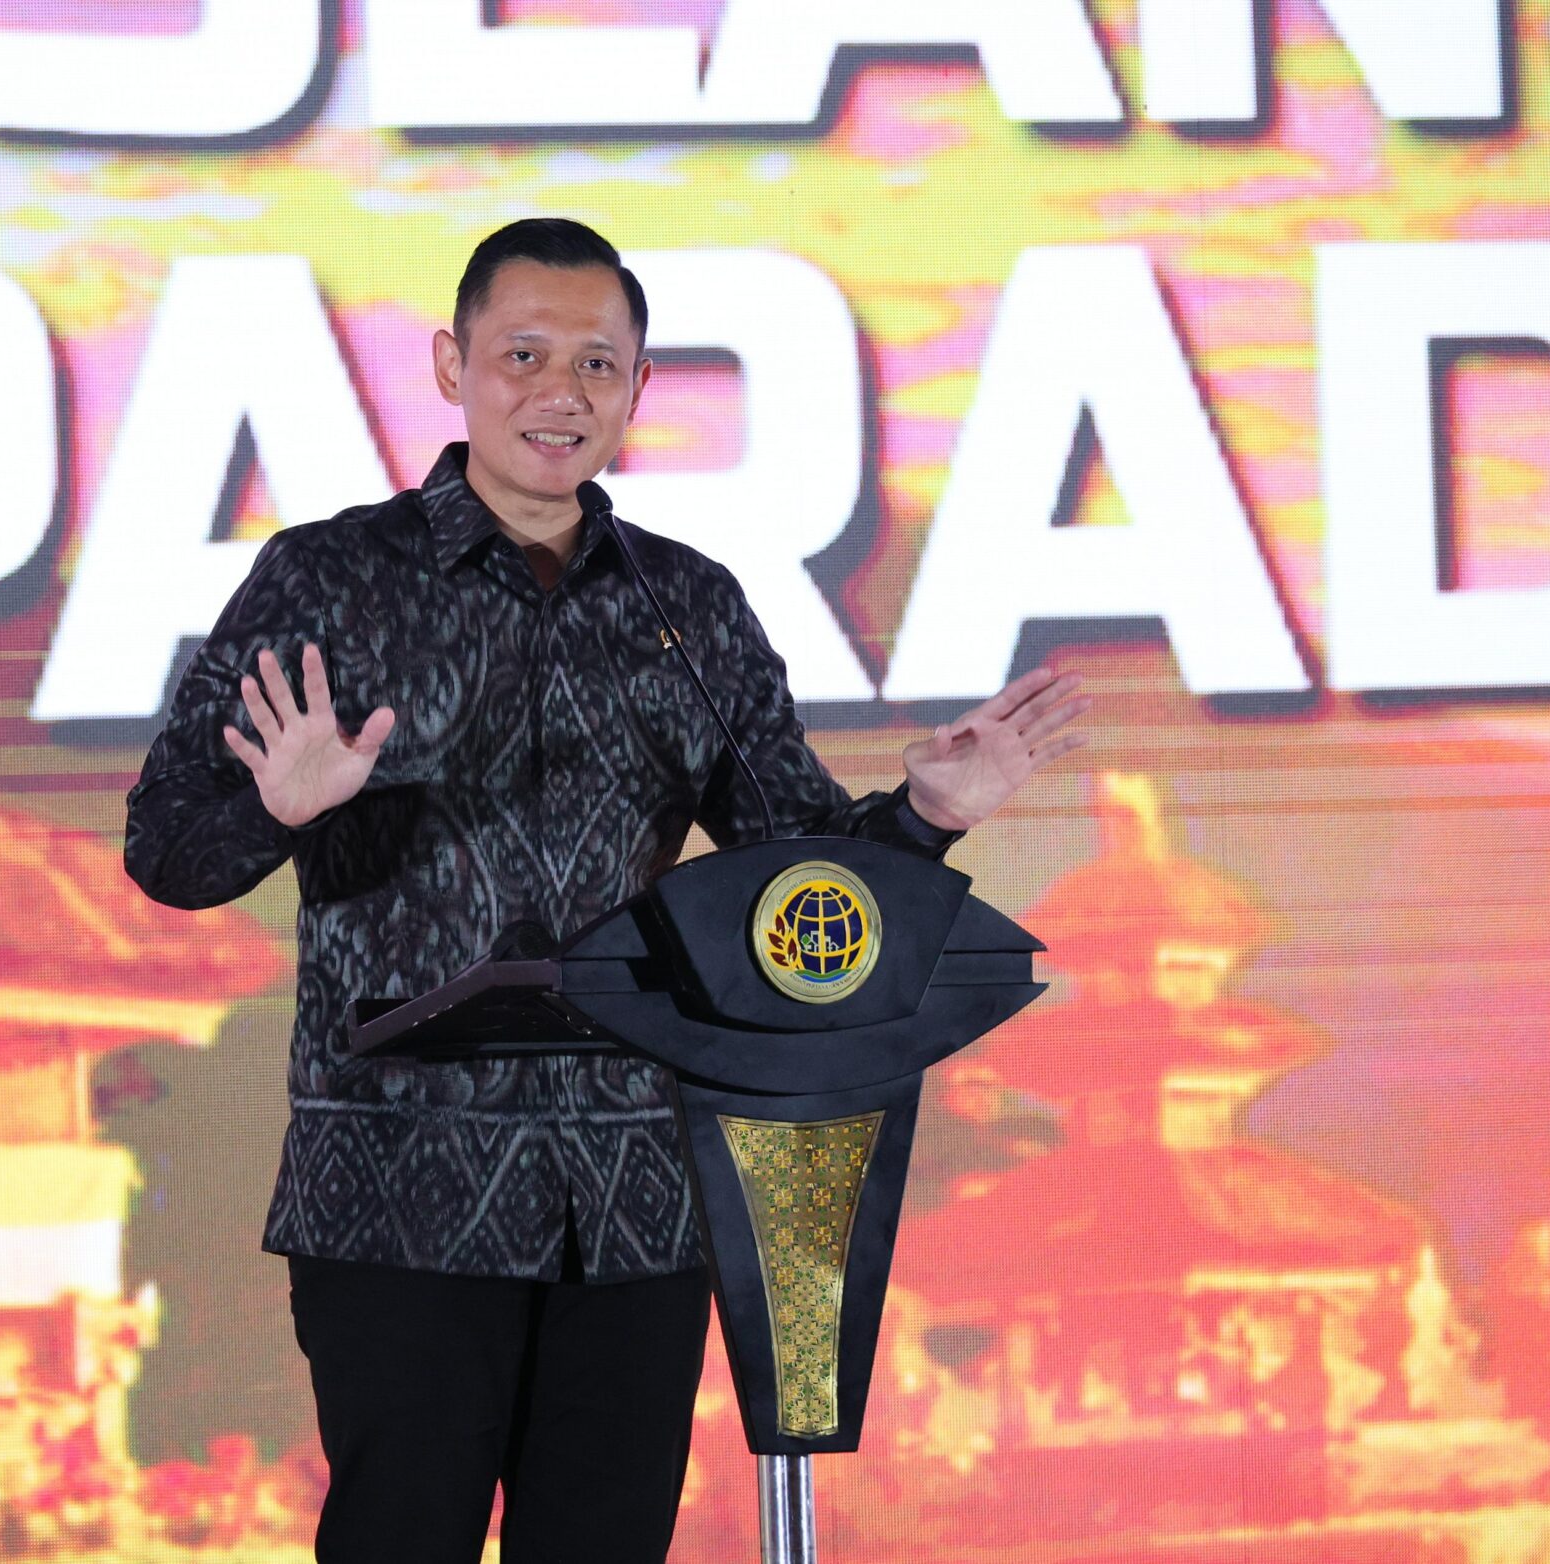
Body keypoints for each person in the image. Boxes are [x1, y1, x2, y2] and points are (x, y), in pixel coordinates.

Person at [124, 218, 1087, 1564]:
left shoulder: (687, 607)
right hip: (401, 1188)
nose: (560, 392)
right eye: (523, 355)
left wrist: (927, 816)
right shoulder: (330, 579)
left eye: (596, 364)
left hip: (636, 1197)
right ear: (453, 366)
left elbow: (793, 884)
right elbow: (166, 850)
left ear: (639, 389)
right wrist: (276, 809)